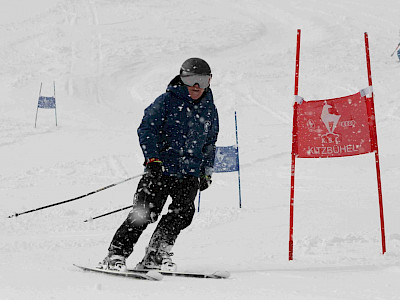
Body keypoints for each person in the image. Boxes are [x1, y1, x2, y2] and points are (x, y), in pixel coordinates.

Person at [99, 58, 219, 272]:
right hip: (161, 171)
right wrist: (152, 159)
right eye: (191, 79)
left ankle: (156, 254)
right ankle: (116, 254)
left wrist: (206, 172)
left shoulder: (210, 110)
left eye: (202, 80)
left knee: (181, 214)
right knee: (144, 213)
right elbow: (147, 129)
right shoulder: (166, 101)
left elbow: (210, 144)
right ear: (182, 79)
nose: (196, 86)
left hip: (189, 174)